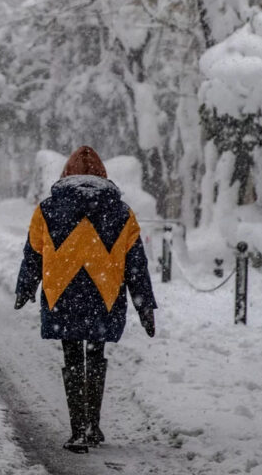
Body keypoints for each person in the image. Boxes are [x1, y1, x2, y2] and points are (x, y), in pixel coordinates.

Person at [14, 146, 158, 453]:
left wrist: (25, 287)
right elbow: (136, 263)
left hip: (63, 295)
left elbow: (34, 253)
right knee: (95, 354)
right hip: (103, 294)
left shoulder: (47, 210)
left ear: (65, 174)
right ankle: (93, 424)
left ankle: (77, 429)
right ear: (104, 176)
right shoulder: (121, 212)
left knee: (71, 356)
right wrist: (144, 305)